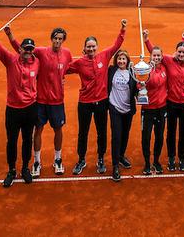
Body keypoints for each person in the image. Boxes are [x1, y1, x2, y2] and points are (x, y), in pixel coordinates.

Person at [0, 21, 40, 188]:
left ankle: (25, 168)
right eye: (25, 48)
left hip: (30, 109)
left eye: (30, 49)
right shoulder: (10, 60)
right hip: (13, 109)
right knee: (12, 141)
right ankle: (12, 170)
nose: (28, 52)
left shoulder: (37, 62)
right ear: (20, 49)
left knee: (27, 139)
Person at [6, 26, 71, 176]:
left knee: (58, 130)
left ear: (63, 40)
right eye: (55, 38)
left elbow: (70, 67)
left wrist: (61, 78)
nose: (57, 41)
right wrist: (11, 36)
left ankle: (58, 159)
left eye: (60, 39)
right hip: (40, 101)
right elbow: (22, 50)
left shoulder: (67, 54)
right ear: (52, 38)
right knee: (38, 130)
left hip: (57, 101)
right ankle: (36, 161)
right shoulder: (41, 51)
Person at [66, 19, 127, 175]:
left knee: (101, 131)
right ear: (84, 49)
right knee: (83, 132)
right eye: (88, 47)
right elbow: (64, 68)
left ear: (97, 47)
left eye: (93, 46)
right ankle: (81, 160)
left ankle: (100, 158)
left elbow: (116, 45)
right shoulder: (79, 63)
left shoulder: (104, 56)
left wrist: (122, 30)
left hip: (101, 102)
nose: (91, 49)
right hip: (85, 103)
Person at [144, 29, 184, 172]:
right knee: (171, 132)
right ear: (175, 52)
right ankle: (172, 158)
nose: (181, 54)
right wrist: (147, 39)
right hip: (171, 103)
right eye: (179, 52)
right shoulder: (169, 61)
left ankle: (182, 159)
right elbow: (155, 54)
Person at [106, 50, 138, 181]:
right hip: (114, 108)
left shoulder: (132, 73)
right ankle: (115, 165)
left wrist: (141, 88)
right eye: (119, 59)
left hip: (128, 109)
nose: (121, 61)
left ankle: (121, 156)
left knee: (125, 134)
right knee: (116, 136)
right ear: (116, 60)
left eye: (124, 59)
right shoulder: (111, 70)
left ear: (128, 60)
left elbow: (136, 90)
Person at [139, 45, 169, 175]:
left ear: (162, 57)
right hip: (148, 109)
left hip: (161, 109)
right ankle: (147, 163)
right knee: (146, 137)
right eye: (154, 55)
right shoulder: (145, 70)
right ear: (150, 57)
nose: (156, 57)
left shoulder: (165, 69)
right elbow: (139, 85)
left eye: (158, 55)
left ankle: (156, 161)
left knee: (159, 136)